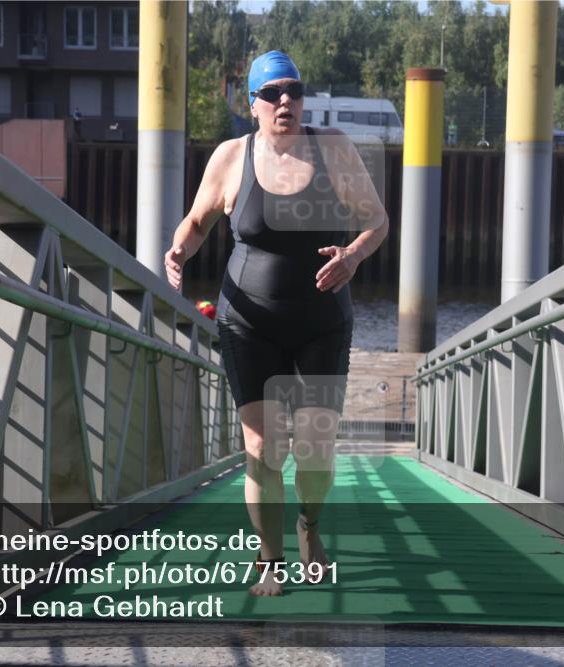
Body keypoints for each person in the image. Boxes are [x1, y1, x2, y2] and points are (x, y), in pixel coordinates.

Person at [165, 51, 388, 596]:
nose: (284, 100)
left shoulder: (332, 149)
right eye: (272, 93)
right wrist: (179, 250)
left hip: (322, 322)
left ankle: (309, 525)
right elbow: (197, 222)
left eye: (293, 90)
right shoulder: (230, 156)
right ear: (253, 105)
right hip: (249, 321)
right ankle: (270, 561)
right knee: (262, 446)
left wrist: (353, 257)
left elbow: (377, 221)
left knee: (315, 447)